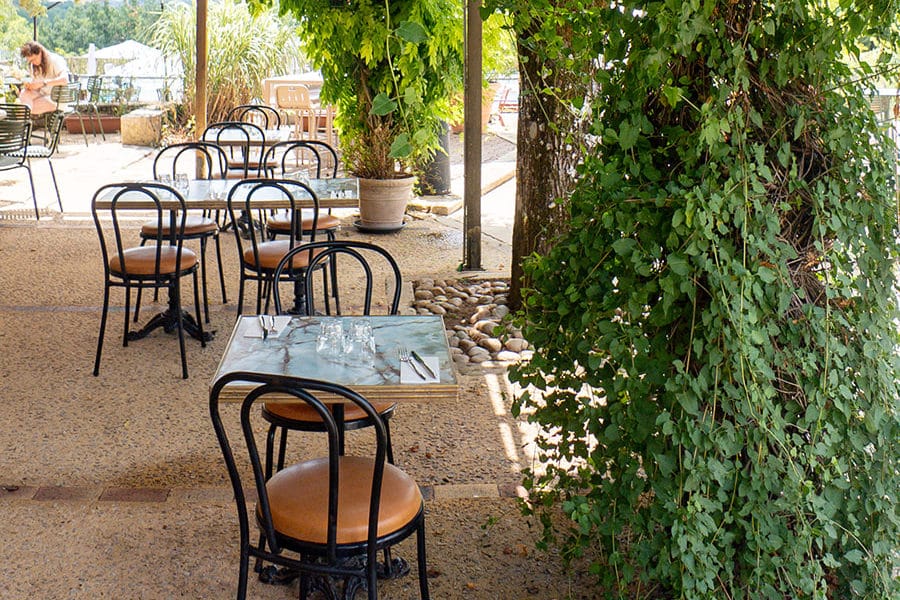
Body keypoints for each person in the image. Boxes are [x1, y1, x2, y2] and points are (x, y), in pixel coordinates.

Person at [18, 41, 70, 115]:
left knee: (24, 109)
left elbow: (65, 79)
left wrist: (43, 83)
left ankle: (23, 123)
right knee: (24, 93)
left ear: (40, 52)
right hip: (44, 95)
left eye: (34, 59)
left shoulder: (55, 59)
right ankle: (24, 121)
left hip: (57, 98)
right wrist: (31, 86)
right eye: (30, 61)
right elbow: (38, 88)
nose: (33, 62)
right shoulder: (34, 66)